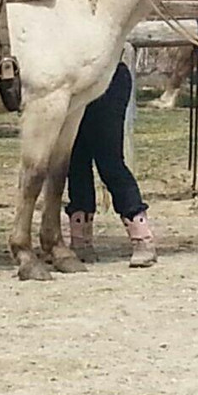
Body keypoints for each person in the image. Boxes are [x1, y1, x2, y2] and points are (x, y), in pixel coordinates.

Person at [66, 61, 156, 268]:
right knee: (75, 161)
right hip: (73, 78)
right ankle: (80, 240)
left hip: (105, 75)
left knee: (109, 160)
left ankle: (142, 237)